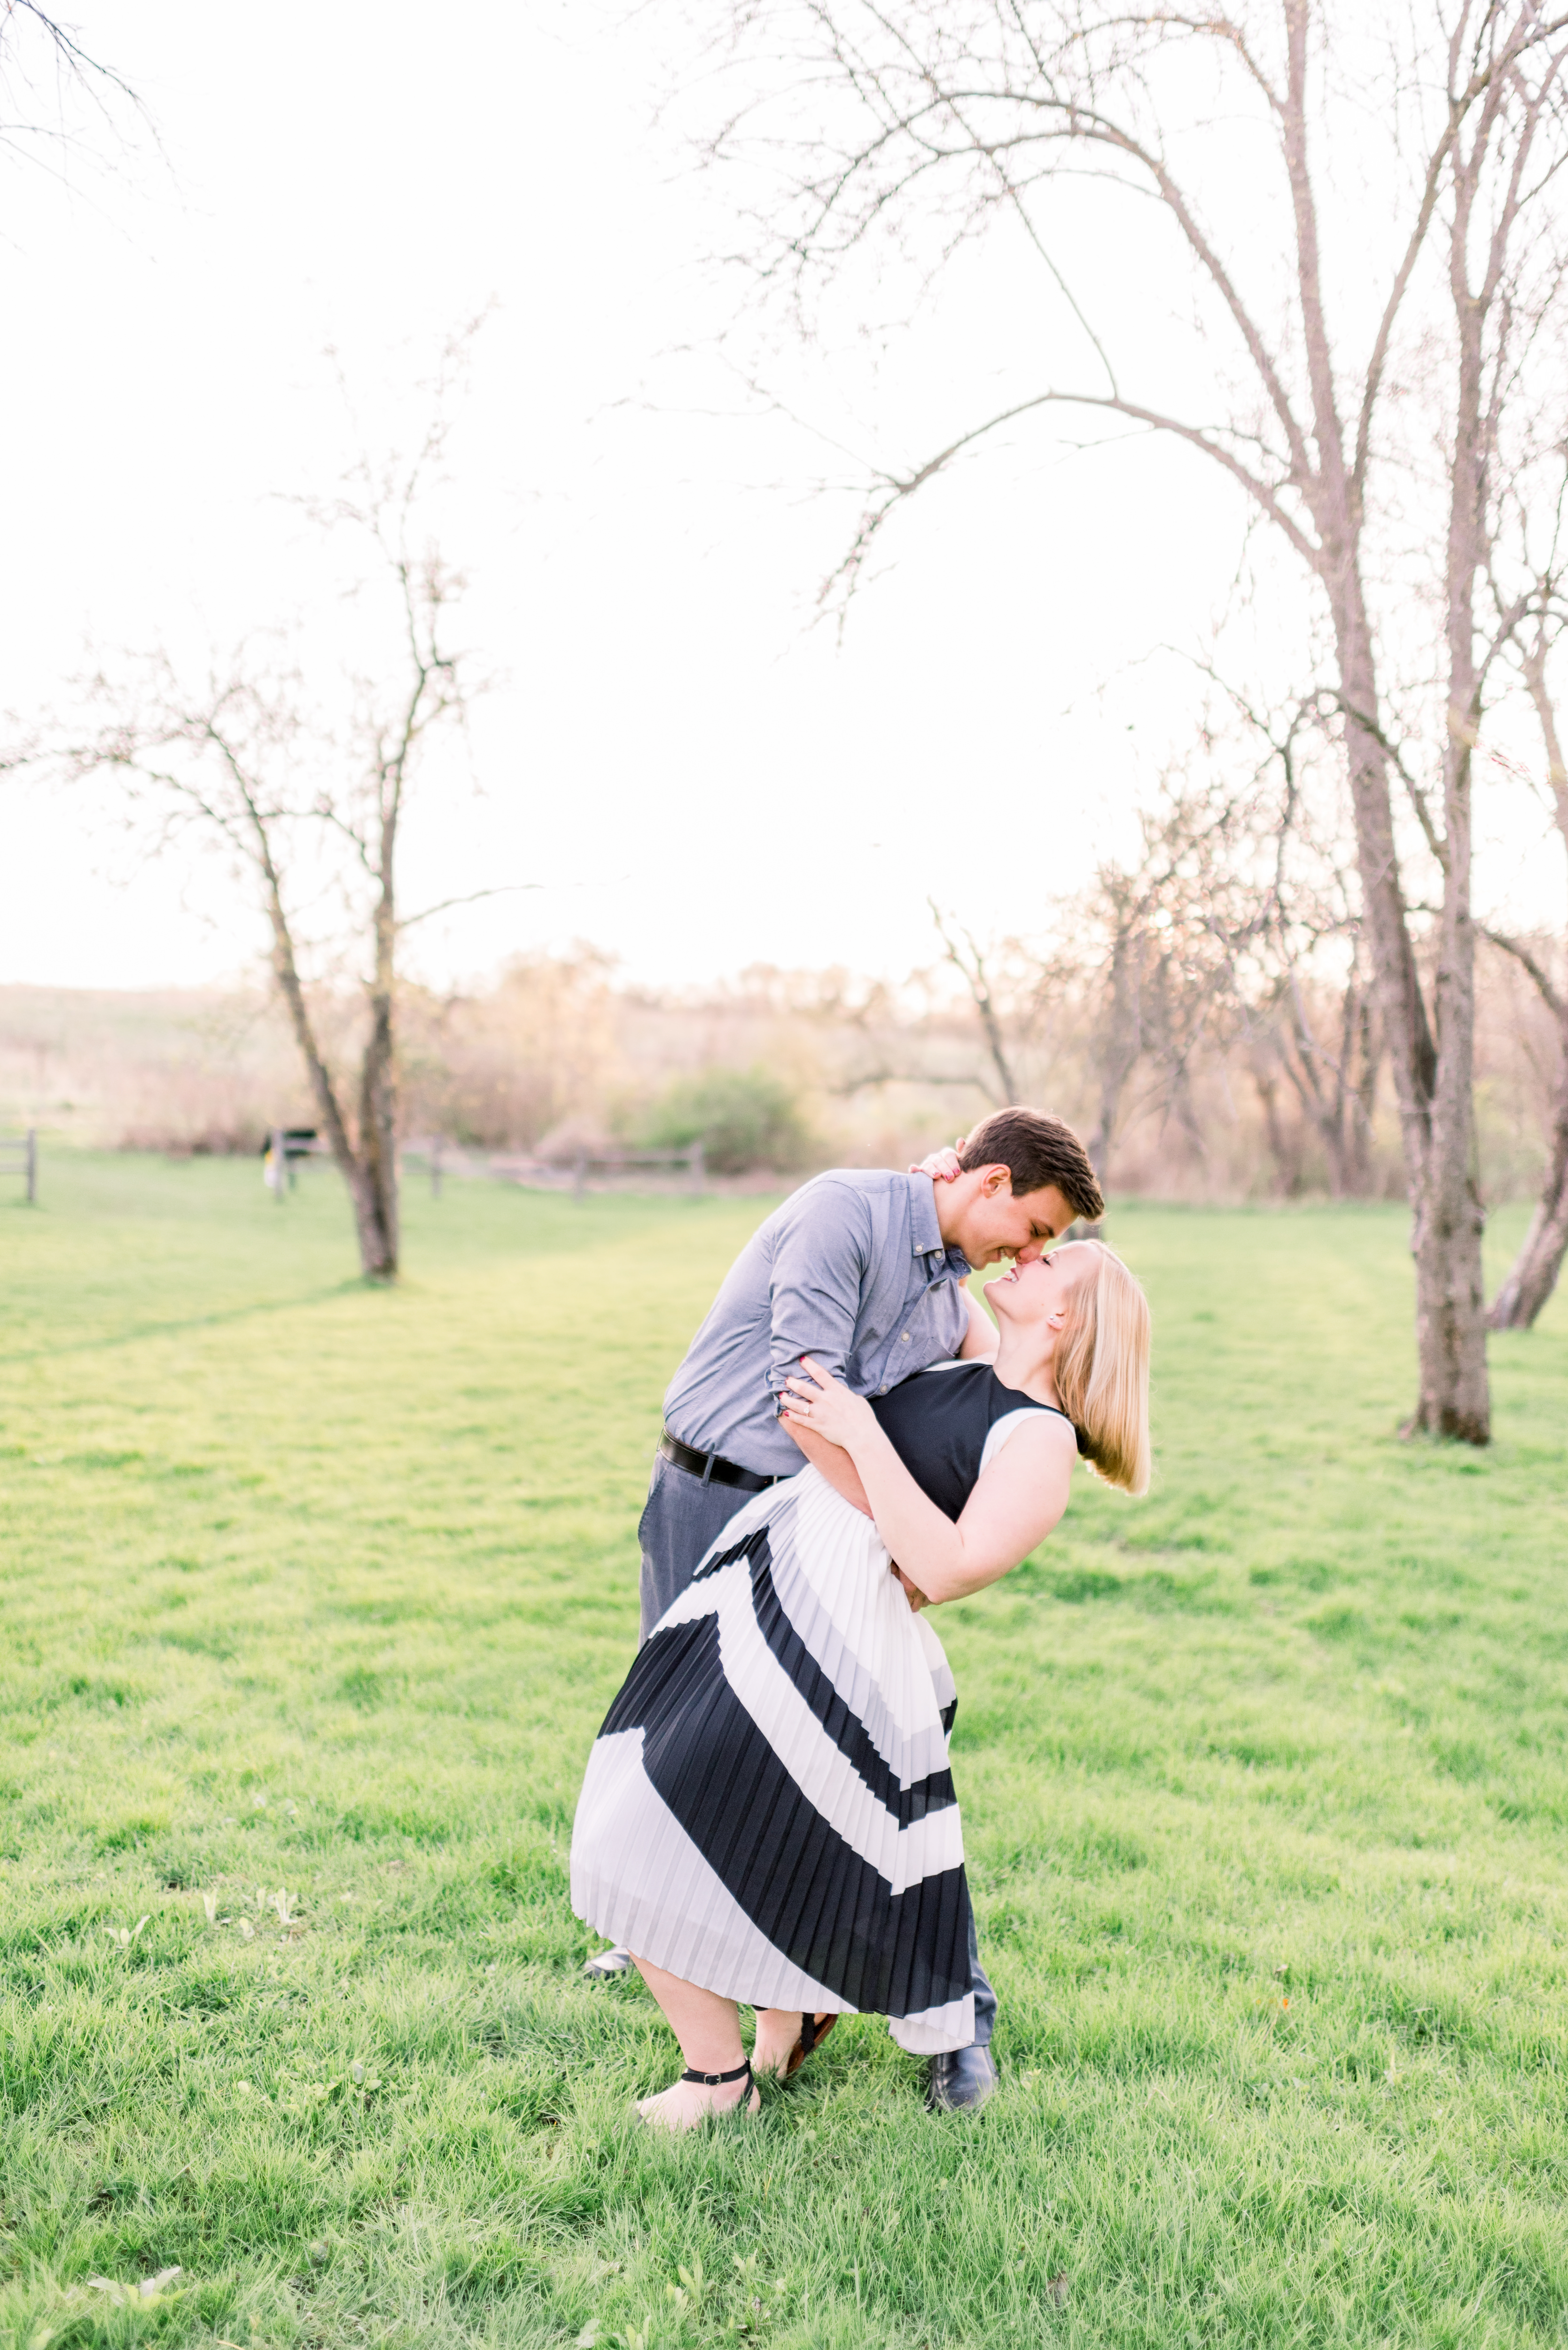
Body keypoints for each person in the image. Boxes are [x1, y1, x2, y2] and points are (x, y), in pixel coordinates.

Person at [582, 1106, 1106, 2114]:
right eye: (1036, 1228)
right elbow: (803, 1393)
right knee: (677, 1746)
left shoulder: (949, 1285)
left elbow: (1014, 1383)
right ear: (988, 1183)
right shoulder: (845, 1214)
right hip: (711, 1492)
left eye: (1046, 1248)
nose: (1031, 1252)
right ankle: (678, 1933)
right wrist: (890, 1534)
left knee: (852, 1773)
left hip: (807, 1533)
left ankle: (957, 2011)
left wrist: (906, 1548)